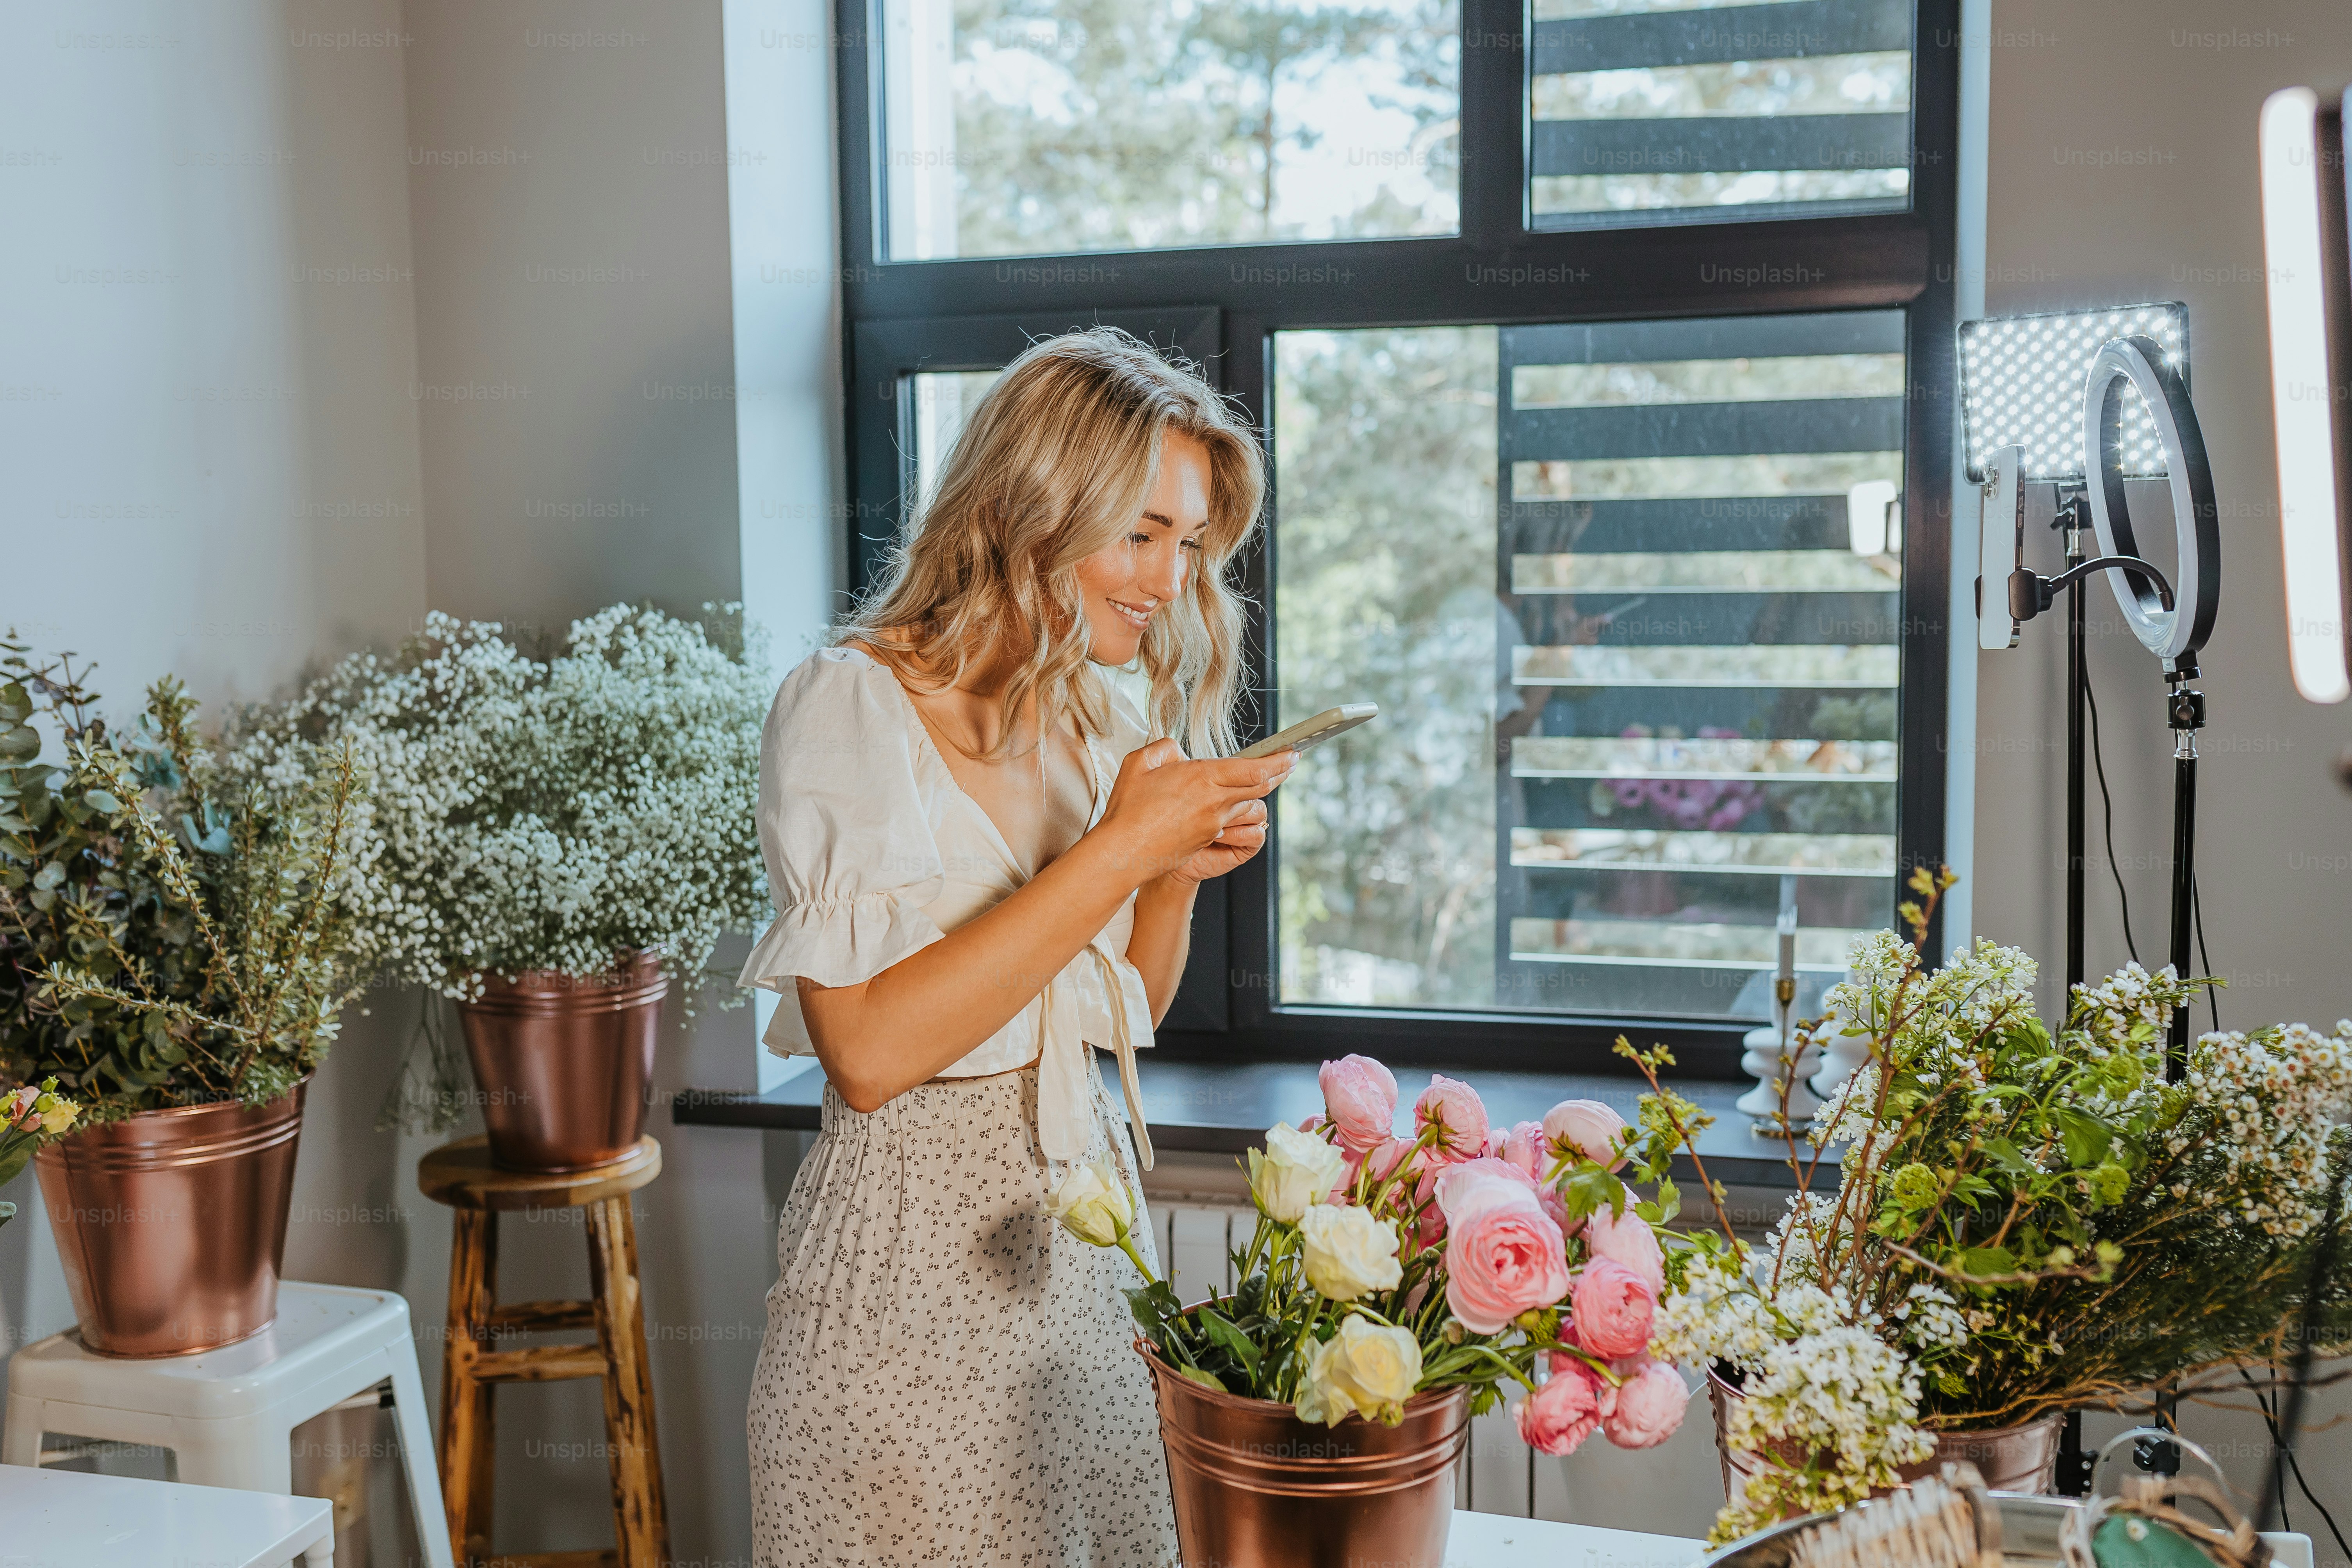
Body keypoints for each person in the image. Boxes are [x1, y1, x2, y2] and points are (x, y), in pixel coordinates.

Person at [742, 328, 1291, 1567]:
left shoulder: (1093, 711)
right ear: (1031, 505)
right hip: (899, 1299)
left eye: (1190, 543)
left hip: (1082, 1275)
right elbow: (871, 1053)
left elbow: (1120, 1010)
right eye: (1141, 532)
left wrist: (1174, 876)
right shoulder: (848, 707)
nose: (1167, 579)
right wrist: (1119, 849)